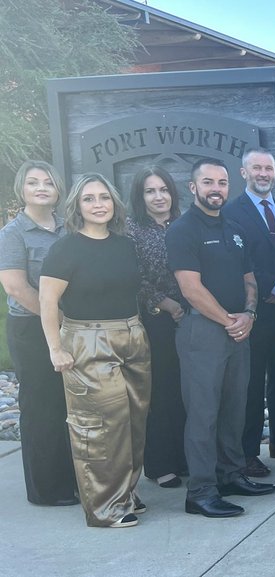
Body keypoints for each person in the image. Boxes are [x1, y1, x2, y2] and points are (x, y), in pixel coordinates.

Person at [38, 174, 150, 528]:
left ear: (114, 203)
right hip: (88, 341)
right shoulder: (65, 248)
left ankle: (125, 493)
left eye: (104, 197)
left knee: (133, 423)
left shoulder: (125, 245)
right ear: (77, 207)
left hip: (132, 335)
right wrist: (55, 347)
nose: (98, 204)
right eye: (89, 199)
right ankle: (104, 508)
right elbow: (47, 301)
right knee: (101, 428)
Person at [168, 159, 275, 518]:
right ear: (193, 187)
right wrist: (229, 320)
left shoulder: (234, 226)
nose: (217, 188)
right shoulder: (183, 230)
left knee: (235, 407)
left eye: (222, 182)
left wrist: (250, 313)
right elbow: (190, 288)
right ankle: (200, 490)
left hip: (238, 328)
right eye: (208, 182)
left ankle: (230, 474)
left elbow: (249, 276)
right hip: (204, 331)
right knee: (203, 413)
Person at [0, 161, 77, 507]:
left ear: (58, 189)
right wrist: (58, 318)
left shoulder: (69, 228)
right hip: (32, 329)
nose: (42, 187)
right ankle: (47, 489)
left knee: (69, 404)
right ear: (22, 190)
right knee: (42, 406)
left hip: (70, 323)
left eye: (48, 182)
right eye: (33, 182)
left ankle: (73, 479)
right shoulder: (12, 234)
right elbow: (16, 287)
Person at [223, 148, 275, 477]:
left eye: (268, 167)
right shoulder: (231, 213)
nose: (264, 173)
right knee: (251, 384)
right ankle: (247, 452)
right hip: (254, 309)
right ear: (244, 173)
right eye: (257, 168)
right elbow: (241, 261)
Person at [126, 166, 187, 488]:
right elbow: (135, 279)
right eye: (150, 191)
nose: (158, 196)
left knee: (186, 389)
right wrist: (168, 304)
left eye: (163, 189)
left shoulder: (183, 223)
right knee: (161, 391)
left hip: (191, 315)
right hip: (155, 319)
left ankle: (184, 456)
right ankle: (161, 463)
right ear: (141, 196)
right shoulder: (131, 231)